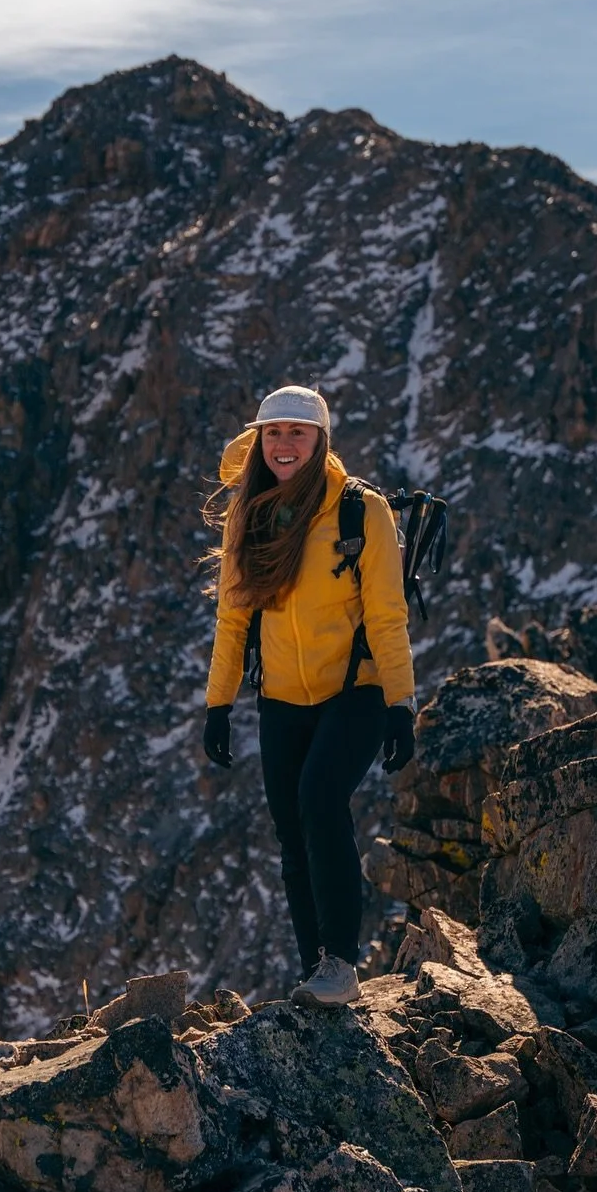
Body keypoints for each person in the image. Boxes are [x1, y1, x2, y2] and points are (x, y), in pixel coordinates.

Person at [202, 384, 416, 1007]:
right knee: (292, 834)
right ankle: (313, 974)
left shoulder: (360, 510)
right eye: (274, 433)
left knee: (321, 802)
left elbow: (386, 615)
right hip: (282, 700)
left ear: (322, 441)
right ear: (259, 442)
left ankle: (342, 966)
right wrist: (219, 705)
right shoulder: (253, 512)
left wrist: (401, 704)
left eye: (298, 432)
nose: (284, 444)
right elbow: (233, 619)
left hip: (357, 692)